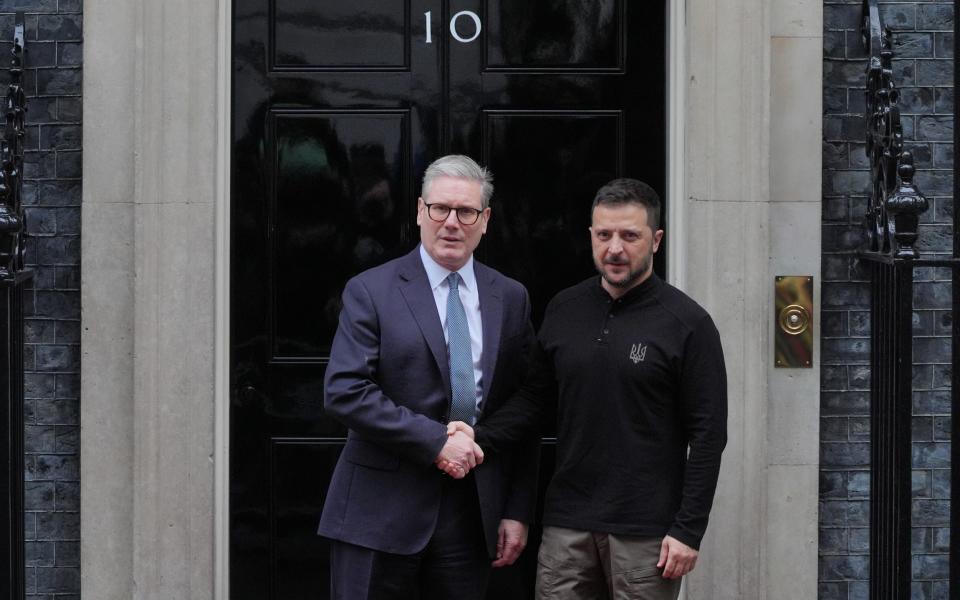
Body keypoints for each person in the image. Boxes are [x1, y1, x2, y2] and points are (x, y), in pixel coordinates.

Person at [448, 178, 727, 599]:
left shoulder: (688, 324)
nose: (615, 248)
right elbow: (535, 401)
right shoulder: (564, 309)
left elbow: (708, 436)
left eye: (630, 235)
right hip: (567, 524)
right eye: (604, 235)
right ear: (591, 237)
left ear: (656, 240)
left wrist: (688, 530)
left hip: (645, 533)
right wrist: (477, 436)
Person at [318, 155, 539, 600]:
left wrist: (517, 510)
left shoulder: (510, 297)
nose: (451, 222)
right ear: (420, 211)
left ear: (486, 220)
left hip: (471, 515)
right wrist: (436, 441)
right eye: (440, 209)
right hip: (378, 512)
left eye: (466, 212)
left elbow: (525, 406)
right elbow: (345, 392)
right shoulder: (371, 290)